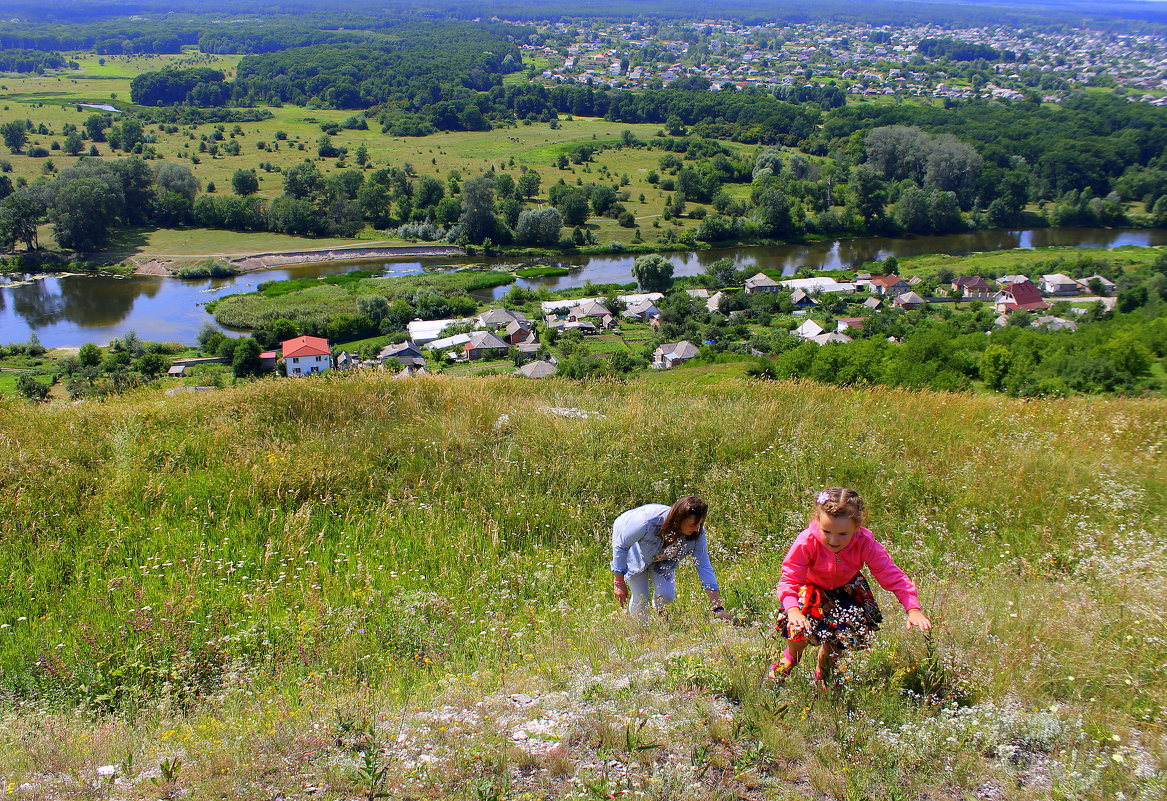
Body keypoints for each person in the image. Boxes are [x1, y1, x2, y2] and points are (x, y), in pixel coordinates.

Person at [769, 487, 931, 684]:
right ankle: (791, 659)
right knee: (797, 634)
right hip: (811, 588)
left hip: (847, 591)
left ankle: (824, 676)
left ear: (857, 527)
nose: (833, 540)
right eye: (826, 531)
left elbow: (891, 574)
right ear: (817, 522)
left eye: (843, 534)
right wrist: (793, 610)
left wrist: (913, 608)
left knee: (838, 643)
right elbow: (790, 577)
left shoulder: (865, 542)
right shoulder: (807, 541)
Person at [611, 495, 732, 620]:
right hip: (634, 548)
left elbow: (704, 566)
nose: (696, 529)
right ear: (679, 519)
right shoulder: (647, 523)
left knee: (666, 595)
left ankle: (660, 614)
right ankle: (642, 632)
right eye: (692, 525)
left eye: (699, 524)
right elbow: (621, 546)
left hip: (662, 557)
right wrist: (619, 582)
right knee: (641, 594)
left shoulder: (697, 533)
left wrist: (718, 608)